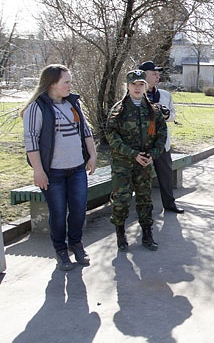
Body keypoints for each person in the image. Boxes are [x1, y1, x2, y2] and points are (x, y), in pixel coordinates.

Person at [21, 64, 97, 271]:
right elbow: (32, 142)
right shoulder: (37, 107)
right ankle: (60, 250)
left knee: (79, 210)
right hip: (53, 173)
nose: (70, 85)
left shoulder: (73, 104)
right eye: (67, 82)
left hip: (77, 169)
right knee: (58, 213)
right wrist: (38, 170)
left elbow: (86, 130)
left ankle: (76, 243)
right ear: (53, 83)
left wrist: (92, 155)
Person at [106, 70, 168, 252]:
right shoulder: (118, 110)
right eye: (134, 84)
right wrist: (133, 154)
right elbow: (112, 137)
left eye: (141, 84)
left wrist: (153, 154)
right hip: (123, 163)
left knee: (145, 199)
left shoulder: (152, 110)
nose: (138, 88)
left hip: (144, 163)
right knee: (122, 199)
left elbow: (162, 134)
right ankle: (120, 232)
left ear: (145, 86)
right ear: (128, 86)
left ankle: (147, 234)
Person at [139, 60, 184, 214]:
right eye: (154, 74)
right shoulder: (136, 94)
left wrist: (165, 114)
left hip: (162, 143)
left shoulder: (165, 95)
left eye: (158, 74)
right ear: (144, 76)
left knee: (165, 174)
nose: (157, 77)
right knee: (141, 179)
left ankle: (169, 203)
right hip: (142, 144)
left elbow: (172, 115)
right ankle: (145, 208)